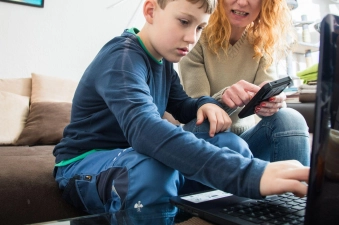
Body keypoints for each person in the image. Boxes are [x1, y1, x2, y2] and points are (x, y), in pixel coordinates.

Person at [53, 0, 309, 221]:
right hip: (84, 163)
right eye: (184, 22)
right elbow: (144, 130)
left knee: (230, 143)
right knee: (152, 169)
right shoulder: (122, 58)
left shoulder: (162, 62)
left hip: (132, 154)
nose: (192, 37)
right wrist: (249, 175)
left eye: (200, 27)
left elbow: (183, 106)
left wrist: (204, 104)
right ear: (151, 11)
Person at [179, 0, 310, 166]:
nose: (241, 2)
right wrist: (225, 98)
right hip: (204, 134)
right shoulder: (196, 34)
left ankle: (293, 191)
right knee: (207, 124)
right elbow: (196, 109)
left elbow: (268, 102)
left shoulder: (263, 42)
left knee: (290, 118)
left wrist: (272, 104)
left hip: (247, 139)